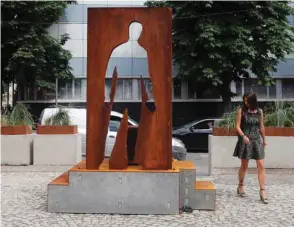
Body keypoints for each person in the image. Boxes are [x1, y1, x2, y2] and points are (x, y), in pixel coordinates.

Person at [233, 92, 268, 204]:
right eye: (244, 100)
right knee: (244, 166)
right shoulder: (241, 111)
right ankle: (240, 185)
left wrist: (264, 140)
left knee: (261, 165)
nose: (245, 102)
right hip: (245, 140)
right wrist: (243, 136)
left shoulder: (259, 111)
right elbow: (237, 126)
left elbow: (261, 126)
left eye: (247, 100)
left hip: (257, 140)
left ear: (253, 101)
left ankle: (262, 191)